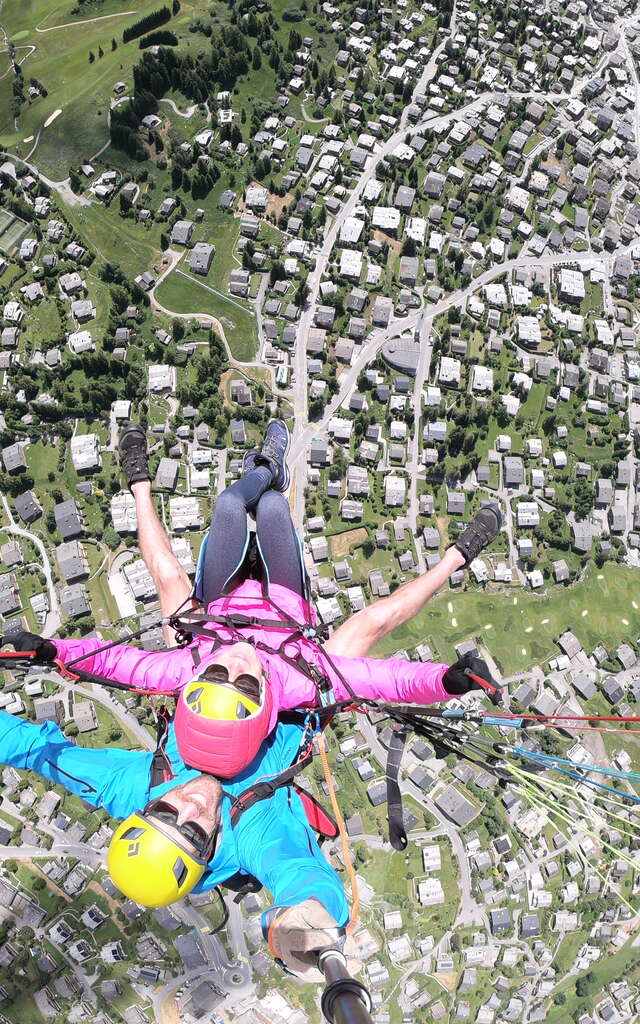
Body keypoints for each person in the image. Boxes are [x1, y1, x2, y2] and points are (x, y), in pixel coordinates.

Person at [5, 419, 503, 778]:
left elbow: (116, 664)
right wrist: (450, 681)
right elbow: (388, 680)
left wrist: (51, 653)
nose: (236, 664)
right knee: (270, 511)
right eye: (248, 685)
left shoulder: (181, 669)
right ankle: (459, 556)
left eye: (215, 676)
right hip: (285, 608)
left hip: (218, 604)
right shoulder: (298, 684)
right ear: (267, 704)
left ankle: (143, 482)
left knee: (218, 516)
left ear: (193, 685)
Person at [0, 705, 352, 981]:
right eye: (195, 833)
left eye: (167, 811)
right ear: (207, 849)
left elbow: (35, 751)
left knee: (177, 627)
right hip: (292, 707)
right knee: (370, 626)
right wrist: (307, 915)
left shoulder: (136, 788)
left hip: (213, 689)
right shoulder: (254, 837)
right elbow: (299, 873)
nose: (190, 805)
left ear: (146, 810)